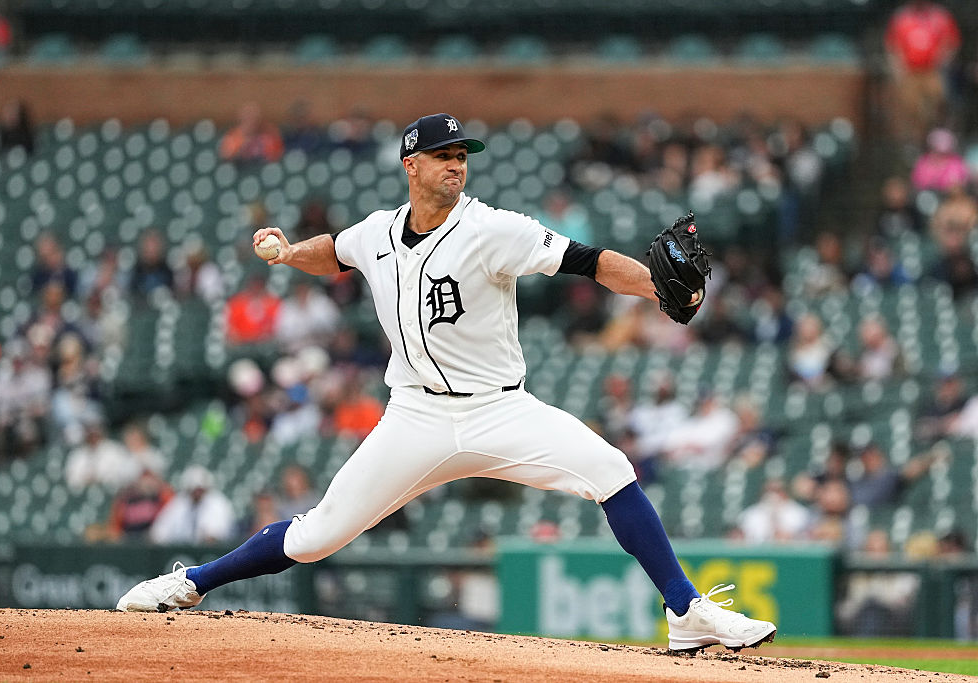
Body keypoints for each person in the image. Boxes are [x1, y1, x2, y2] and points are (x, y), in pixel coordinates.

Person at [117, 112, 775, 652]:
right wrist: (292, 253)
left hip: (500, 409)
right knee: (316, 536)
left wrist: (657, 292)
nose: (456, 163)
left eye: (462, 153)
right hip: (415, 418)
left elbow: (588, 261)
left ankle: (685, 609)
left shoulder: (492, 228)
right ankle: (191, 582)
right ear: (412, 166)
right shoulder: (376, 233)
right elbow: (337, 251)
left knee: (610, 467)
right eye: (442, 154)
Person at [884, 0, 961, 147]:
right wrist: (897, 68)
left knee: (939, 100)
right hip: (910, 72)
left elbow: (951, 42)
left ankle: (938, 137)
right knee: (910, 107)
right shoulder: (902, 17)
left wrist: (943, 62)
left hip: (932, 71)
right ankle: (916, 141)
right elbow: (892, 45)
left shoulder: (941, 16)